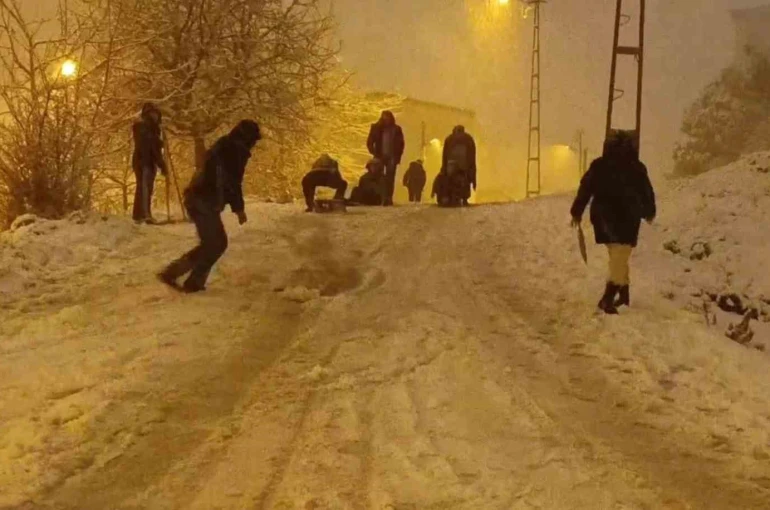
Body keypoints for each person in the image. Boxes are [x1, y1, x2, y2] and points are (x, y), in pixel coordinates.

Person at [157, 120, 261, 293]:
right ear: (247, 138)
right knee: (216, 243)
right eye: (254, 141)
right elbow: (232, 182)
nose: (254, 145)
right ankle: (179, 276)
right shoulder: (235, 151)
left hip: (198, 197)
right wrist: (239, 209)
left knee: (212, 243)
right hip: (203, 199)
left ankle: (182, 276)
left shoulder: (225, 145)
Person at [570, 130, 656, 314]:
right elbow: (646, 191)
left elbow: (585, 188)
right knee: (620, 255)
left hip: (603, 218)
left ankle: (624, 295)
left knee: (617, 256)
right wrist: (649, 212)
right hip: (628, 219)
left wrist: (577, 211)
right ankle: (607, 299)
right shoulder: (637, 167)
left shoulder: (600, 165)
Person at [132, 103, 167, 224]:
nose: (155, 116)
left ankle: (140, 215)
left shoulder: (152, 129)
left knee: (146, 187)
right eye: (153, 113)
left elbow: (154, 148)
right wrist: (161, 163)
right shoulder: (143, 127)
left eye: (156, 114)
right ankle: (144, 215)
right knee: (144, 188)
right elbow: (150, 146)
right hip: (143, 161)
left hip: (148, 161)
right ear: (147, 114)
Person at [366, 111, 405, 206]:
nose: (386, 119)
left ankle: (388, 198)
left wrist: (398, 155)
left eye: (387, 117)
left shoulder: (396, 129)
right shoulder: (376, 128)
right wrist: (373, 152)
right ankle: (379, 197)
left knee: (390, 178)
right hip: (380, 156)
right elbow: (370, 141)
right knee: (379, 177)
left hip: (392, 156)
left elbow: (401, 144)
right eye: (384, 118)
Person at [441, 125, 477, 207]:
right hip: (465, 165)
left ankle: (452, 198)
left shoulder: (449, 138)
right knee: (466, 181)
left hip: (451, 164)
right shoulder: (468, 138)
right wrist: (472, 171)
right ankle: (464, 199)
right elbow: (472, 154)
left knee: (450, 180)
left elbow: (445, 155)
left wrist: (444, 167)